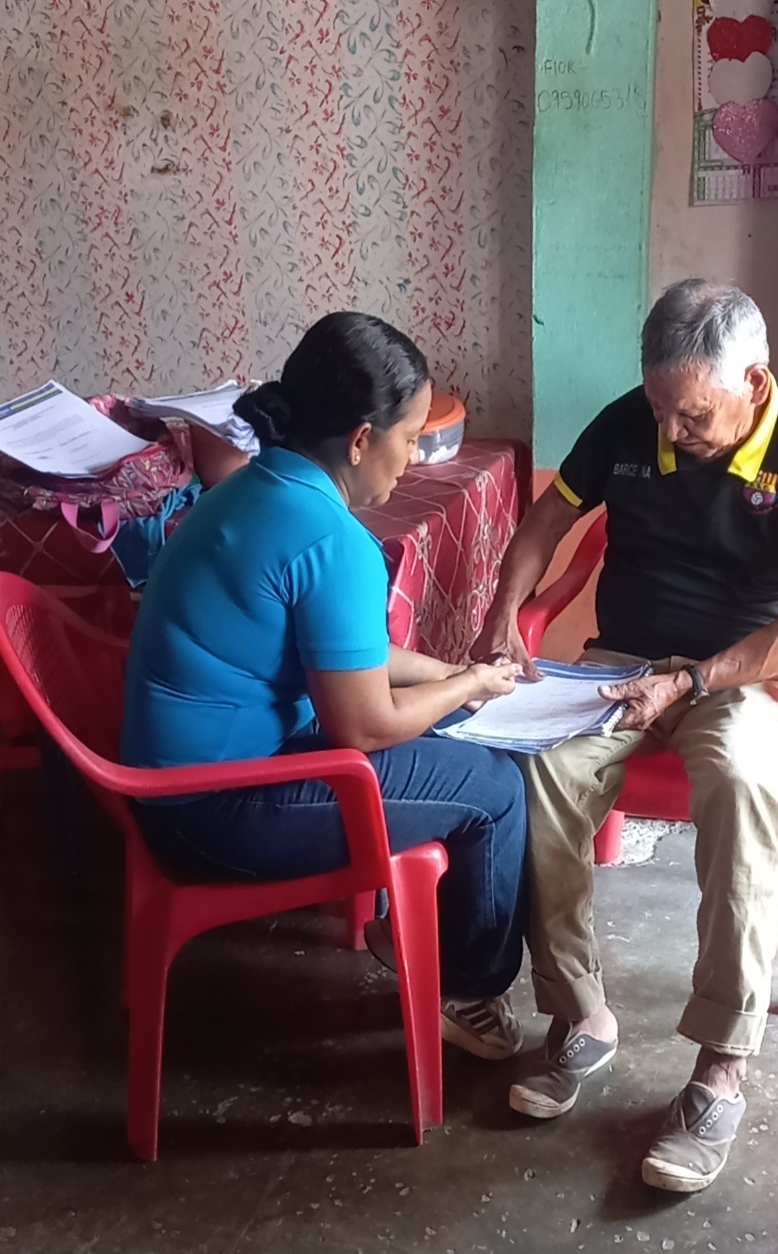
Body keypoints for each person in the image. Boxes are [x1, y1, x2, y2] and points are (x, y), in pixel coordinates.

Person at [474, 281, 778, 1190]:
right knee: (534, 775)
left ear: (753, 382)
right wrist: (505, 611)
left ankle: (721, 1066)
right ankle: (580, 1015)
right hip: (621, 667)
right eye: (661, 407)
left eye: (692, 414)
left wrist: (691, 679)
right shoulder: (635, 418)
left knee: (741, 784)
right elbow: (545, 521)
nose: (671, 429)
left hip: (742, 674)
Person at [122, 312, 527, 1059]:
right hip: (213, 814)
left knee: (459, 723)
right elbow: (364, 726)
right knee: (496, 789)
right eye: (411, 437)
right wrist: (467, 678)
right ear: (362, 439)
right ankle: (469, 988)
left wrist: (449, 677)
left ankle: (415, 931)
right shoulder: (333, 541)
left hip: (173, 788)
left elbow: (348, 654)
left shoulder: (254, 487)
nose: (414, 456)